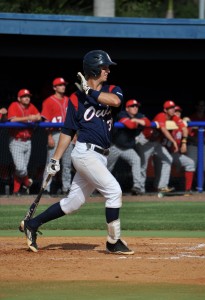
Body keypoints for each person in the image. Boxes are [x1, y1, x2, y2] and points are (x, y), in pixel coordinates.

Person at [22, 49, 134, 255]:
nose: (108, 70)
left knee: (73, 203)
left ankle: (32, 224)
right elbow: (68, 130)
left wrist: (90, 92)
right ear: (93, 69)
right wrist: (55, 158)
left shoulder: (113, 89)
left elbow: (115, 102)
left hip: (101, 155)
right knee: (114, 191)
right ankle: (113, 241)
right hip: (85, 153)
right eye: (104, 67)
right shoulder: (75, 99)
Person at [136, 100, 187, 193]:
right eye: (169, 108)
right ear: (165, 110)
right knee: (143, 165)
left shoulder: (174, 117)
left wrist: (184, 141)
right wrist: (174, 142)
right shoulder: (161, 115)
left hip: (155, 142)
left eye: (173, 108)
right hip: (145, 140)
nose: (172, 110)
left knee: (168, 159)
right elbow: (163, 130)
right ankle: (140, 188)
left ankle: (162, 186)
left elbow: (184, 128)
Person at [107, 99, 151, 195]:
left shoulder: (138, 115)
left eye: (136, 106)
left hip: (127, 148)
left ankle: (137, 187)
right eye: (132, 106)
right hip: (115, 146)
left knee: (136, 160)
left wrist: (135, 120)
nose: (135, 108)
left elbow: (147, 123)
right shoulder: (122, 114)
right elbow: (130, 125)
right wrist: (136, 122)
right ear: (127, 108)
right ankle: (95, 188)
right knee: (107, 168)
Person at [41, 77, 75, 195]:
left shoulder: (69, 99)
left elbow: (74, 119)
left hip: (68, 134)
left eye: (64, 85)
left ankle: (67, 188)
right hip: (55, 133)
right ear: (54, 87)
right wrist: (49, 136)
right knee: (52, 163)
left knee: (67, 164)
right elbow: (46, 121)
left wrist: (75, 135)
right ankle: (45, 189)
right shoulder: (48, 101)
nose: (63, 87)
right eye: (60, 85)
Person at [7, 89, 41, 195]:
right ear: (19, 98)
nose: (27, 98)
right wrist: (29, 118)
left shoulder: (31, 106)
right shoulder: (14, 105)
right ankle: (27, 182)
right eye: (24, 96)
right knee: (21, 168)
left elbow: (39, 117)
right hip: (17, 140)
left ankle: (16, 191)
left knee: (21, 169)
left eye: (28, 96)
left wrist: (33, 117)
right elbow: (12, 120)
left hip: (28, 141)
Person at [158, 105, 195, 195]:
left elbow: (192, 131)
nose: (177, 113)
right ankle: (153, 194)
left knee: (190, 163)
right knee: (158, 176)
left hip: (173, 154)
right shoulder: (167, 122)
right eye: (176, 111)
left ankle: (187, 190)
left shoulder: (181, 125)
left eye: (179, 112)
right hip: (161, 152)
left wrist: (184, 142)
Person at [187, 100, 205, 189]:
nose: (201, 107)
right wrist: (194, 139)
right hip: (193, 145)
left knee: (204, 168)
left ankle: (200, 188)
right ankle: (189, 188)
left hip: (203, 146)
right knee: (191, 166)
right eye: (200, 105)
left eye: (203, 106)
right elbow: (185, 134)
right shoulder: (191, 117)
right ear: (196, 107)